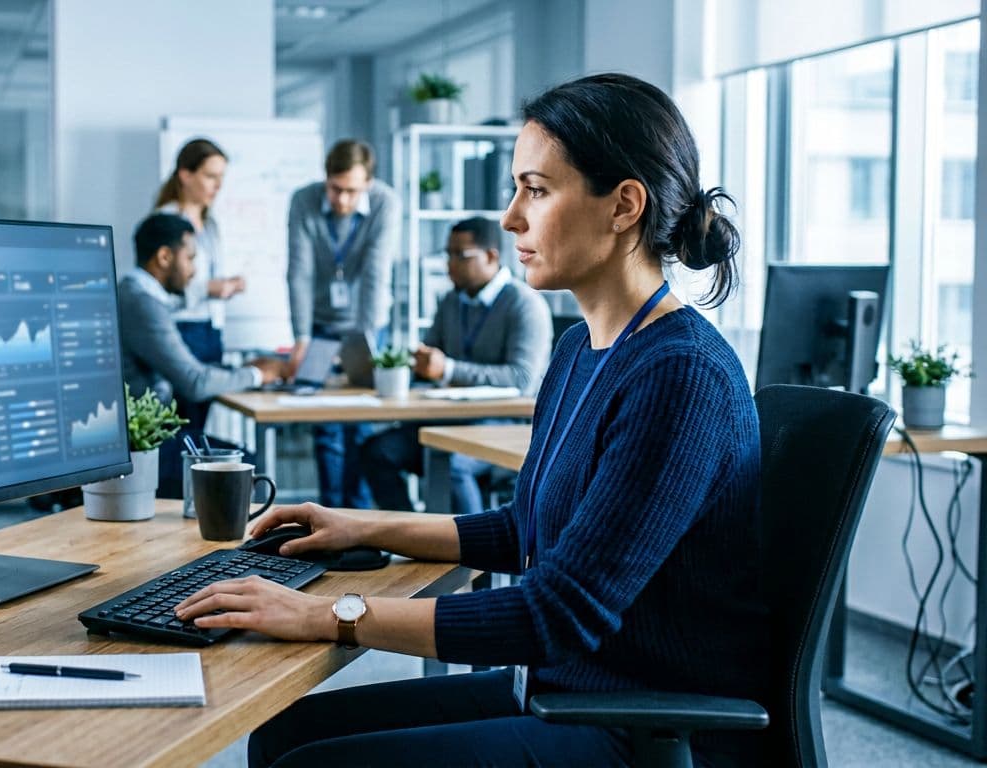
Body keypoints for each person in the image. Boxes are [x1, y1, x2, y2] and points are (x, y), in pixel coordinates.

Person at [175, 73, 768, 767]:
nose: (512, 217)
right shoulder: (581, 347)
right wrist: (360, 524)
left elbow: (553, 613)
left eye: (536, 190)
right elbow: (526, 527)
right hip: (559, 691)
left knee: (311, 765)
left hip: (635, 721)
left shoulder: (679, 375)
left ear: (624, 205)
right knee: (286, 733)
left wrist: (324, 616)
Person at [360, 216, 552, 516]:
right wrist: (407, 366)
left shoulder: (524, 304)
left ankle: (475, 559)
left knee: (451, 462)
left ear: (491, 257)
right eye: (447, 254)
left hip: (502, 425)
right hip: (447, 420)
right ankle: (414, 535)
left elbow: (522, 378)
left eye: (459, 256)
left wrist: (447, 369)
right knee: (376, 450)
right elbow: (431, 359)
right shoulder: (451, 301)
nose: (449, 264)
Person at [286, 139, 400, 509]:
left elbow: (375, 274)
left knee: (361, 423)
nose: (342, 201)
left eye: (352, 191)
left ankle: (360, 519)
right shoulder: (304, 201)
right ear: (325, 179)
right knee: (327, 426)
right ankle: (329, 513)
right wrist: (301, 336)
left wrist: (363, 344)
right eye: (335, 189)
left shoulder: (385, 203)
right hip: (319, 322)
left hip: (366, 324)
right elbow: (299, 273)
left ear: (368, 183)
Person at [119, 212, 285, 407]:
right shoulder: (142, 304)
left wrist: (237, 370)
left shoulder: (132, 291)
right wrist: (258, 375)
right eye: (189, 258)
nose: (194, 270)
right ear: (164, 257)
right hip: (149, 431)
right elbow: (195, 383)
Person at [154, 138, 246, 368]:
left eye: (221, 177)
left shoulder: (211, 223)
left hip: (211, 328)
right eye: (210, 176)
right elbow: (156, 290)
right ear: (186, 175)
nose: (218, 185)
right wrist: (207, 288)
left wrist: (227, 284)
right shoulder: (165, 221)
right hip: (180, 328)